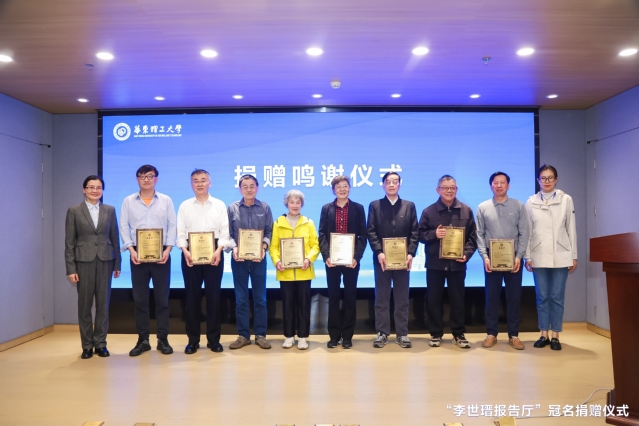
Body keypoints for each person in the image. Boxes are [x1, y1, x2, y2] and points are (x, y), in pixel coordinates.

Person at [120, 165, 177, 356]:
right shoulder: (128, 201)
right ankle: (143, 340)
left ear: (156, 179)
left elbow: (172, 225)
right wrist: (130, 249)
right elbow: (123, 227)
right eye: (142, 176)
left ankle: (163, 340)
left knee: (162, 300)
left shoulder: (166, 200)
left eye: (150, 176)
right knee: (140, 300)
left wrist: (168, 249)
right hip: (137, 255)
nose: (146, 179)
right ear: (137, 179)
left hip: (162, 255)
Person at [65, 175, 121, 359]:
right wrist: (71, 268)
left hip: (106, 261)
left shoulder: (109, 210)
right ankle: (87, 345)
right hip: (83, 262)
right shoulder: (74, 211)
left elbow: (115, 238)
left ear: (102, 190)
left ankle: (101, 344)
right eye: (91, 187)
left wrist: (117, 263)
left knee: (103, 305)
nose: (95, 190)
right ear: (84, 189)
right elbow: (69, 243)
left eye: (98, 187)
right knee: (85, 306)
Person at [419, 174, 477, 349]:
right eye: (445, 187)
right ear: (438, 190)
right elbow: (419, 235)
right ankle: (435, 333)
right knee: (434, 300)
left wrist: (466, 254)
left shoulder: (466, 210)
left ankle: (458, 333)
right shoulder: (429, 211)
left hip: (457, 263)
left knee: (458, 300)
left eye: (452, 187)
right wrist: (434, 234)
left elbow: (473, 237)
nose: (449, 191)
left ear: (456, 189)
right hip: (435, 263)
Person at [177, 169, 230, 354]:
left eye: (203, 180)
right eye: (196, 180)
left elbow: (224, 232)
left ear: (210, 183)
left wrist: (219, 250)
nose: (199, 183)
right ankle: (192, 340)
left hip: (214, 253)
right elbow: (180, 233)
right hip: (190, 254)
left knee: (214, 298)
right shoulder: (184, 206)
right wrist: (185, 250)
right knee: (192, 298)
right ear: (191, 184)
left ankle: (214, 340)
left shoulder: (219, 205)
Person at [524, 164, 577, 351]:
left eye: (550, 178)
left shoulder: (566, 199)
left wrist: (573, 255)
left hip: (561, 255)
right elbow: (528, 231)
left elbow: (571, 228)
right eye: (543, 178)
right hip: (538, 255)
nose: (546, 181)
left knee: (556, 297)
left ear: (556, 179)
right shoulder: (530, 202)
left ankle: (555, 336)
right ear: (538, 180)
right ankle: (543, 334)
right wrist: (527, 256)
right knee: (542, 297)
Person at [476, 172, 529, 350]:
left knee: (513, 298)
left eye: (502, 182)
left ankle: (514, 335)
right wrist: (484, 257)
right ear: (491, 185)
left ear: (508, 185)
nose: (499, 185)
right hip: (492, 258)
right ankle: (491, 334)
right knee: (491, 297)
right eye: (495, 183)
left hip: (513, 258)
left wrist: (519, 256)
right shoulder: (483, 207)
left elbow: (524, 233)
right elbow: (479, 234)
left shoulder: (518, 206)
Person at [367, 171, 419, 349]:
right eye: (388, 182)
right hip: (382, 260)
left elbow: (415, 232)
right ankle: (382, 333)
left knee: (402, 297)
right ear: (383, 185)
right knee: (381, 297)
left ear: (399, 184)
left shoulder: (409, 206)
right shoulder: (375, 205)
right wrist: (379, 252)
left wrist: (410, 253)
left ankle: (402, 334)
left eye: (395, 181)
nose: (391, 184)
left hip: (403, 260)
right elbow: (371, 231)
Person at [318, 175, 368, 349]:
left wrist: (356, 257)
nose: (342, 189)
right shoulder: (326, 209)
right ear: (333, 190)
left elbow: (363, 235)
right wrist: (326, 256)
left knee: (350, 297)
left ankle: (347, 336)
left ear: (349, 188)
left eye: (345, 186)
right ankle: (333, 336)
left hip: (351, 261)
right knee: (333, 297)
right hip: (332, 261)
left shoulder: (358, 208)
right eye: (338, 186)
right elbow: (322, 234)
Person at [227, 174, 273, 350]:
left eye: (252, 186)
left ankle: (261, 335)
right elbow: (228, 233)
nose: (248, 189)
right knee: (241, 299)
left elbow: (269, 231)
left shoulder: (265, 207)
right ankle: (243, 336)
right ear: (240, 189)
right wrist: (234, 247)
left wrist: (263, 247)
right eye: (245, 186)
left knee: (260, 299)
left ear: (257, 188)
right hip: (238, 259)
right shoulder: (232, 208)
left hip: (258, 259)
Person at [269, 190, 320, 350]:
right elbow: (273, 247)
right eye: (292, 202)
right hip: (285, 272)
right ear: (287, 204)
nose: (295, 205)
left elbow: (315, 245)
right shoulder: (278, 222)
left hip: (304, 271)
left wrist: (308, 259)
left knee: (304, 305)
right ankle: (289, 336)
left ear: (301, 204)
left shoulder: (308, 222)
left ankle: (303, 337)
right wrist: (277, 261)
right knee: (287, 305)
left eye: (298, 202)